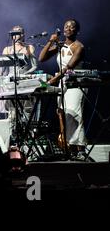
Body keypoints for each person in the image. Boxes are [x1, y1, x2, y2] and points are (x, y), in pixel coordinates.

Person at [39, 19, 86, 160]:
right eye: (66, 26)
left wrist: (52, 81)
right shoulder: (60, 46)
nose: (68, 29)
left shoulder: (79, 47)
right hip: (62, 82)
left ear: (77, 31)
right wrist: (50, 41)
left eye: (72, 27)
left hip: (75, 83)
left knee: (74, 113)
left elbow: (68, 68)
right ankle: (69, 148)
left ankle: (80, 149)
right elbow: (41, 58)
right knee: (62, 114)